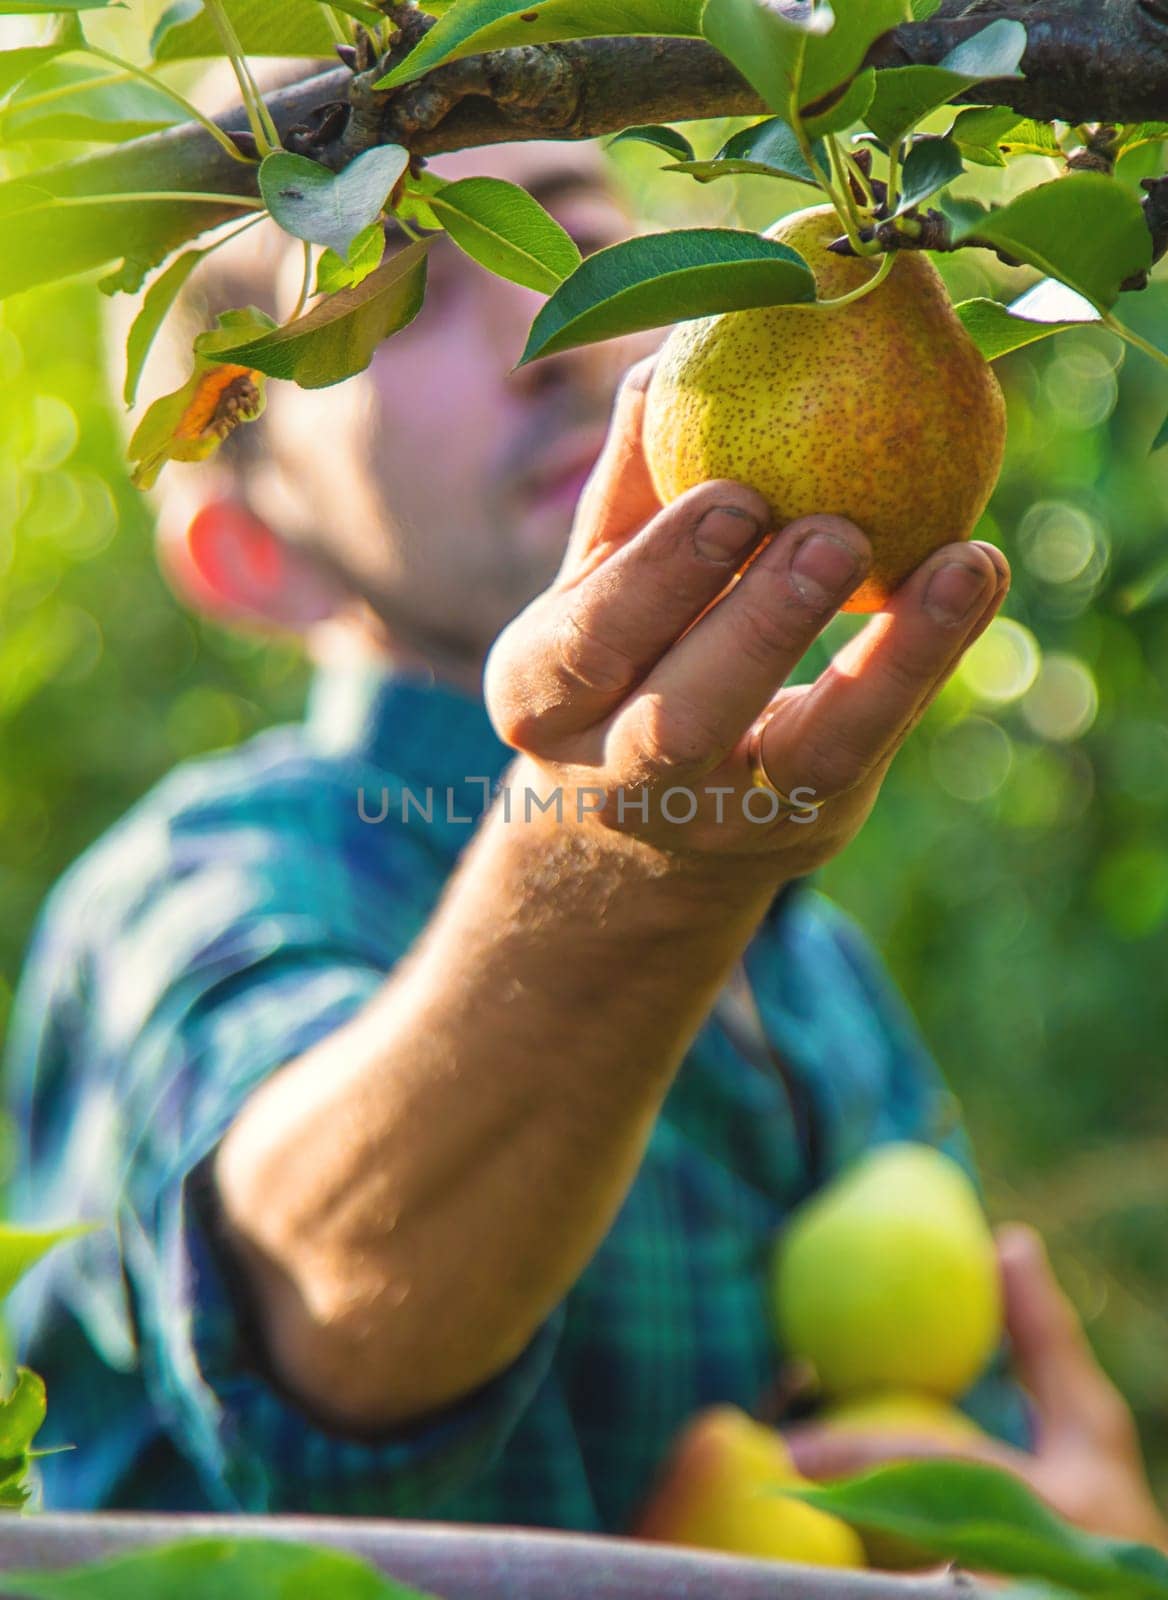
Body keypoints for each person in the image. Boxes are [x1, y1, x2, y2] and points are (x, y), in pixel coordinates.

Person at [5, 132, 1164, 1548]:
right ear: (258, 550)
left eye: (577, 241)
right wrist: (617, 872)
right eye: (397, 293)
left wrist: (1081, 1549)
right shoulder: (199, 880)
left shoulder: (819, 980)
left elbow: (986, 1462)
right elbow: (310, 1321)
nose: (543, 337)